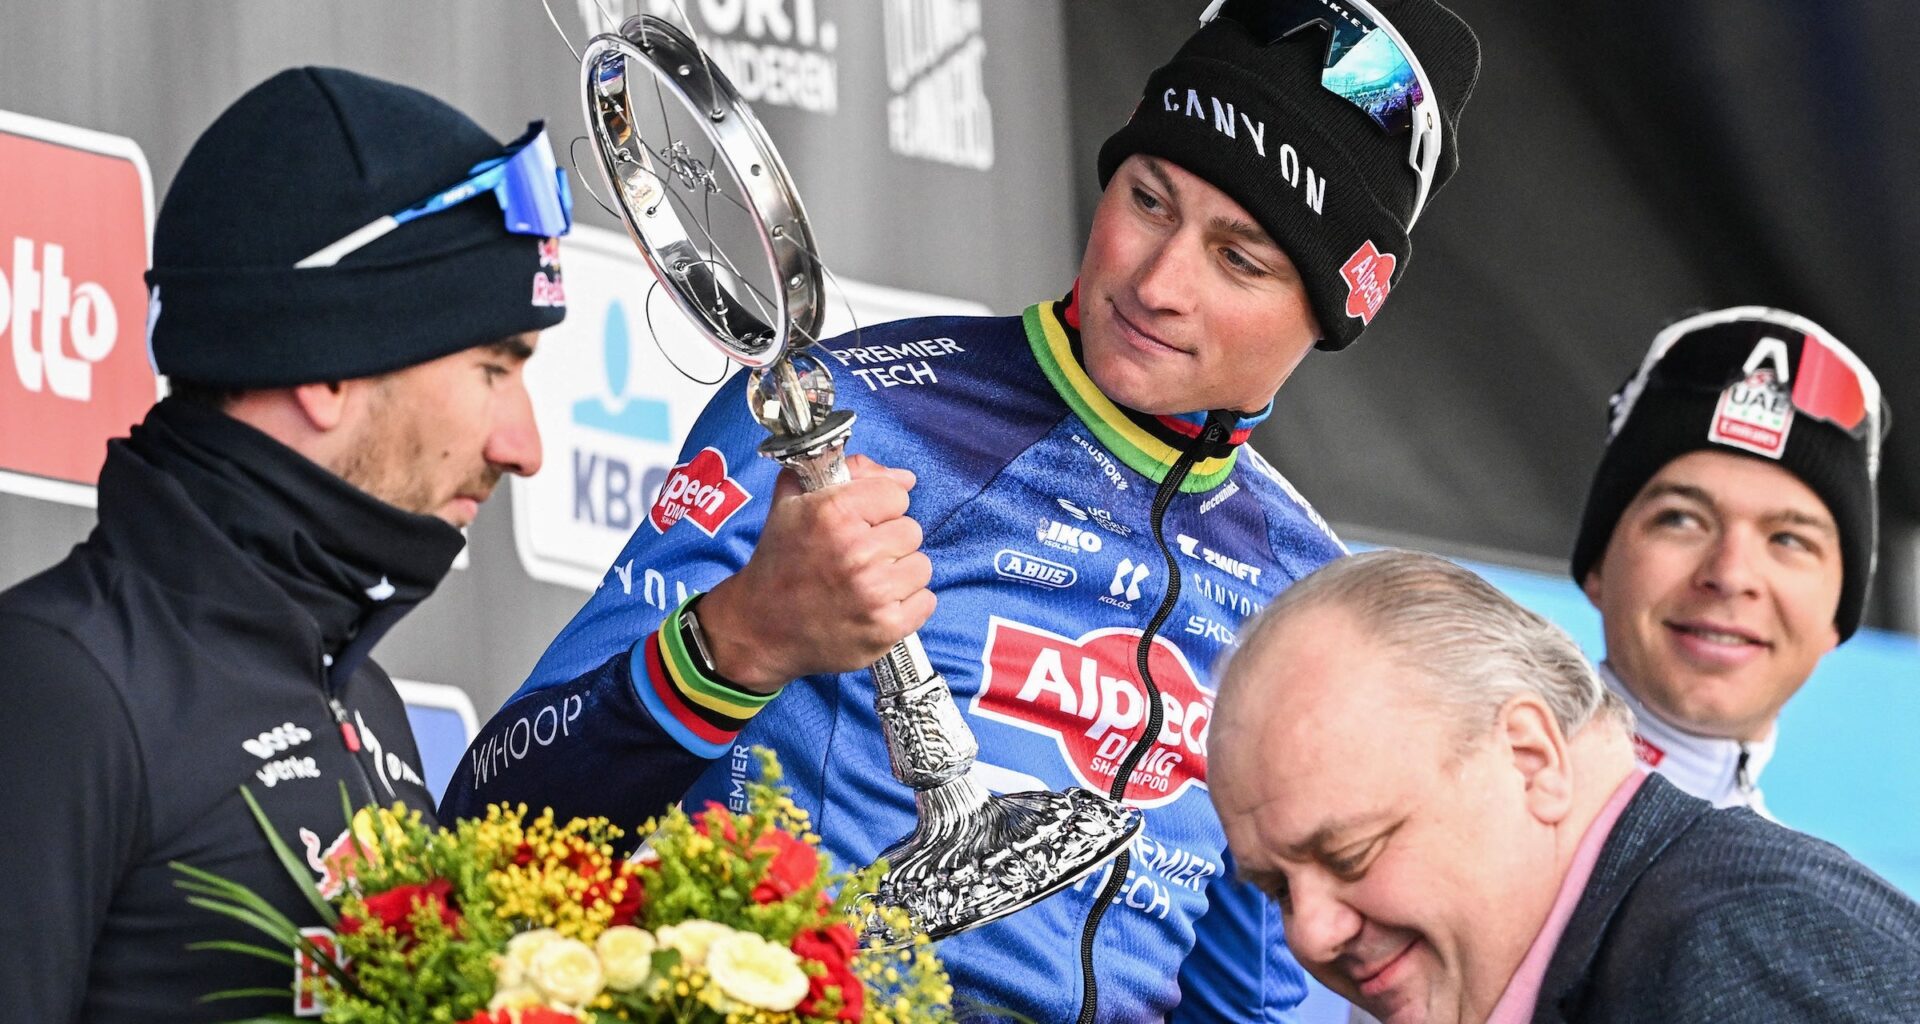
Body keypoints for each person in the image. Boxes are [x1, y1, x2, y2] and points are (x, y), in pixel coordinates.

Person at [446, 1, 1481, 1019]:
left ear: (1336, 308)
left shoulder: (1308, 591)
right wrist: (737, 639)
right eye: (1148, 200)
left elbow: (1245, 998)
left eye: (1239, 259)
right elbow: (485, 829)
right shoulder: (861, 417)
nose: (1159, 280)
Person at [0, 67, 569, 1022]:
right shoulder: (59, 683)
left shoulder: (366, 697)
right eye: (492, 368)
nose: (525, 447)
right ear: (328, 365)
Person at [1211, 549, 1920, 1024]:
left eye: (1350, 854)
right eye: (1278, 890)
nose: (1313, 934)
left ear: (1531, 758)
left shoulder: (1735, 957)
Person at [1571, 307, 1888, 812]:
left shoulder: (1789, 866)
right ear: (1598, 567)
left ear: (1838, 614)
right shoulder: (1462, 790)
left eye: (1789, 540)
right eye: (1681, 519)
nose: (1730, 574)